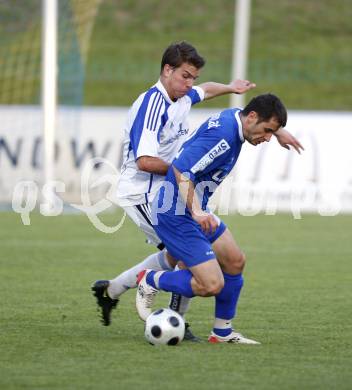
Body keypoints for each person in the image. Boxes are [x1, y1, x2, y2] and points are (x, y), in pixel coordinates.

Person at [91, 42, 303, 341]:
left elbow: (209, 91)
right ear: (167, 70)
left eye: (193, 77)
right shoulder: (153, 106)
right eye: (186, 76)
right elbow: (145, 161)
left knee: (202, 257)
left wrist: (232, 88)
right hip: (142, 191)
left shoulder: (182, 96)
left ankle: (112, 290)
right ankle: (171, 314)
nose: (191, 84)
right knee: (184, 258)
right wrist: (190, 164)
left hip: (175, 189)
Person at [136, 93, 290, 344]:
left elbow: (256, 107)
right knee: (211, 285)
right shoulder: (223, 137)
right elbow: (179, 169)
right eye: (267, 130)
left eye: (272, 132)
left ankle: (222, 333)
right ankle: (151, 279)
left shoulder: (236, 119)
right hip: (175, 213)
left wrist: (280, 131)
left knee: (234, 261)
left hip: (191, 209)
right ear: (252, 118)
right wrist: (196, 211)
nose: (268, 138)